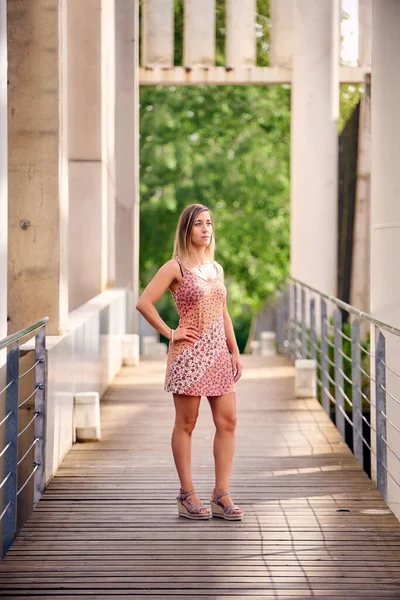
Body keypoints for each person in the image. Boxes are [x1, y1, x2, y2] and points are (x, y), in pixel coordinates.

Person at [136, 203, 243, 521]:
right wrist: (171, 332)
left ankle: (220, 493)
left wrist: (234, 350)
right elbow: (144, 303)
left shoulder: (216, 269)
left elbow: (223, 312)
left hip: (218, 356)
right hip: (189, 355)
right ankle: (187, 494)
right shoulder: (175, 267)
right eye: (199, 223)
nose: (206, 229)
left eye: (209, 223)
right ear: (186, 229)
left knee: (228, 422)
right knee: (187, 423)